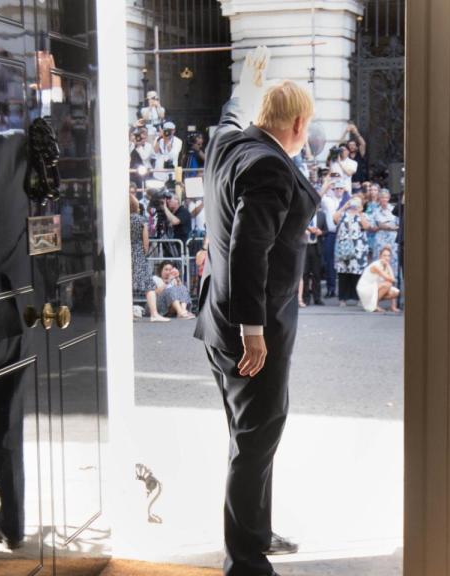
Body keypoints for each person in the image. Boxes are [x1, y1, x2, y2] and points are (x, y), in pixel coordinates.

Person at [194, 46, 317, 576]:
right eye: (306, 124)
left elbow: (226, 114)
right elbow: (250, 248)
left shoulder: (227, 143)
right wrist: (254, 332)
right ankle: (245, 561)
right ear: (295, 123)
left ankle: (254, 533)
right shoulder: (270, 165)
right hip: (249, 329)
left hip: (216, 318)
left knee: (249, 436)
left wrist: (246, 82)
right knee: (256, 438)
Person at [130, 194, 168, 322]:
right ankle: (154, 314)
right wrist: (144, 252)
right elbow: (146, 242)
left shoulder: (125, 220)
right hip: (138, 253)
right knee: (148, 284)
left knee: (126, 284)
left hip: (126, 254)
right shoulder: (141, 220)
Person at [333, 196, 371, 306]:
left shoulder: (363, 215)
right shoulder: (343, 214)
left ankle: (359, 298)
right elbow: (334, 219)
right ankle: (342, 299)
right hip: (343, 248)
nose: (354, 203)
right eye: (353, 201)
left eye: (357, 202)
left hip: (358, 249)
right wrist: (344, 206)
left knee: (358, 274)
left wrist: (360, 212)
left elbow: (367, 226)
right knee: (343, 273)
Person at [356, 246, 400, 313]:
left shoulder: (387, 266)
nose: (387, 258)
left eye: (388, 256)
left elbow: (392, 280)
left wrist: (388, 266)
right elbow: (390, 279)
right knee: (387, 284)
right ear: (380, 256)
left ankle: (392, 307)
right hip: (365, 288)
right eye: (384, 255)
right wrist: (392, 278)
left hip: (374, 287)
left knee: (395, 292)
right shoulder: (375, 266)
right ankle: (374, 306)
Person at [371, 188, 399, 270]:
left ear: (389, 198)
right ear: (379, 198)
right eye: (382, 197)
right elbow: (372, 227)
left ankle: (393, 282)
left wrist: (386, 226)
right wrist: (381, 226)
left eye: (386, 197)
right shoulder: (375, 211)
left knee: (393, 261)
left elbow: (399, 225)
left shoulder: (394, 209)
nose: (384, 199)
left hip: (392, 240)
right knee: (378, 261)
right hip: (380, 240)